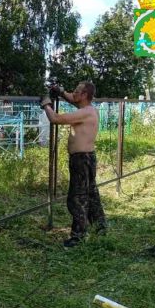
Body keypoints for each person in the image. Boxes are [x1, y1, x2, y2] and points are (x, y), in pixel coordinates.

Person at [41, 82, 107, 247]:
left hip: (81, 159)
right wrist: (61, 92)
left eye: (77, 91)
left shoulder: (85, 112)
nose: (73, 93)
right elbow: (72, 99)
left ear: (84, 95)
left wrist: (46, 104)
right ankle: (100, 227)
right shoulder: (89, 109)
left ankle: (78, 236)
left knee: (77, 198)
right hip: (86, 158)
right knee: (91, 194)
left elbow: (55, 119)